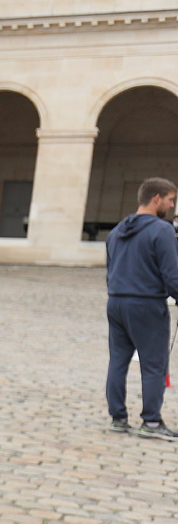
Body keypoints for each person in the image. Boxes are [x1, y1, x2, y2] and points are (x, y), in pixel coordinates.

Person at [104, 177, 178, 439]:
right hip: (146, 304)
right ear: (156, 198)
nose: (172, 206)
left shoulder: (116, 231)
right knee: (154, 365)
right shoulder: (162, 230)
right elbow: (172, 275)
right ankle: (151, 422)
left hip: (116, 301)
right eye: (170, 200)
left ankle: (118, 418)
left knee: (118, 361)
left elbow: (110, 269)